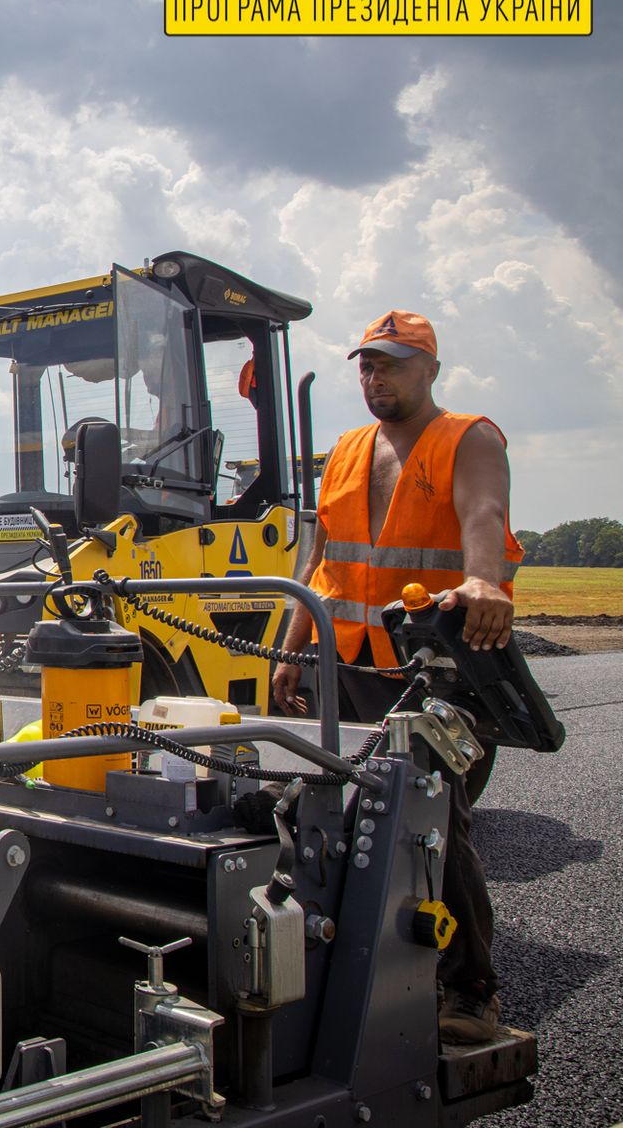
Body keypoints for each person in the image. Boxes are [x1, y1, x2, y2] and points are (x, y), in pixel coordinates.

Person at [270, 309, 520, 1046]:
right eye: (366, 366)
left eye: (391, 364)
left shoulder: (467, 437)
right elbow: (320, 560)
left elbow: (485, 512)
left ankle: (471, 988)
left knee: (434, 819)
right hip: (348, 663)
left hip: (440, 663)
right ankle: (353, 959)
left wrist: (484, 583)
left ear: (428, 370)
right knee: (335, 810)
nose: (375, 377)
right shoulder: (346, 450)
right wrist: (292, 646)